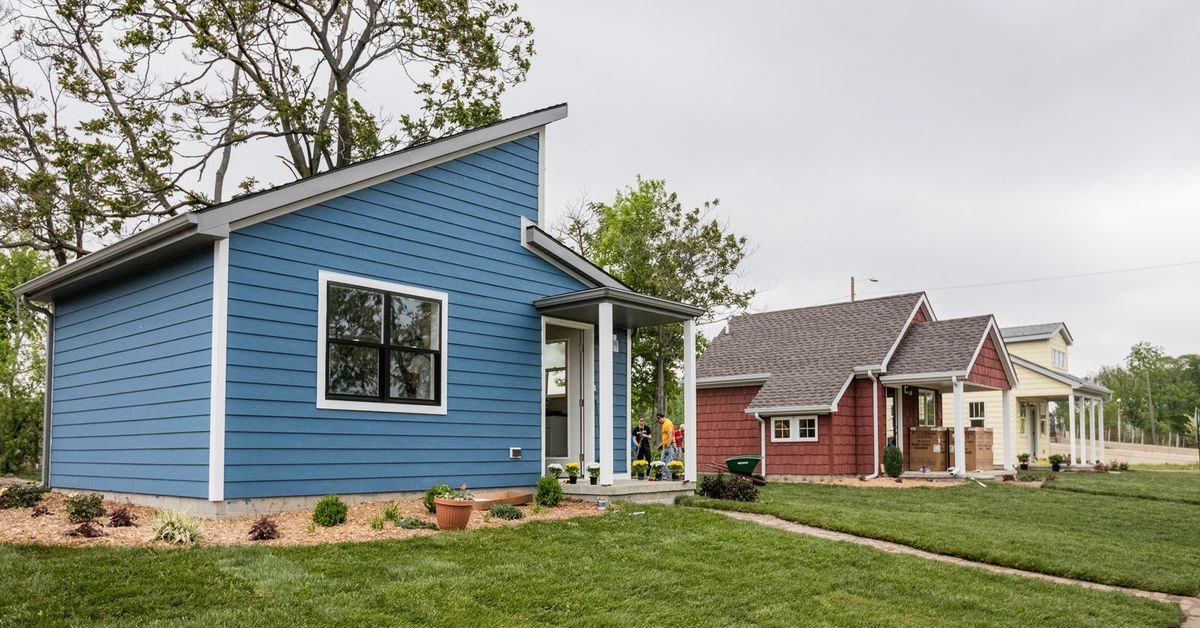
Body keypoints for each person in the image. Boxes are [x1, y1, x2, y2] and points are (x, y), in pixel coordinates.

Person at [657, 413, 676, 479]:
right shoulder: (664, 424)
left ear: (660, 418)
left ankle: (670, 476)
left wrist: (668, 446)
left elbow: (670, 435)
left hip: (669, 446)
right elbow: (666, 436)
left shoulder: (667, 423)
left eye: (658, 421)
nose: (658, 422)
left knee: (668, 462)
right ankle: (664, 476)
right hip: (665, 446)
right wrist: (661, 444)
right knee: (662, 461)